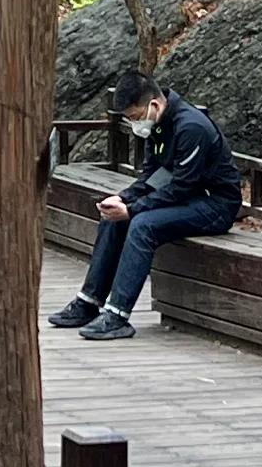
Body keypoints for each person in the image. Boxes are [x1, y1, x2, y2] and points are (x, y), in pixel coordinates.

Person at [49, 68, 244, 341]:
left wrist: (132, 209)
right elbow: (152, 177)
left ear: (153, 104)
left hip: (215, 205)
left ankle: (117, 315)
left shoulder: (192, 128)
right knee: (113, 215)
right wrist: (124, 198)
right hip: (187, 198)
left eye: (135, 117)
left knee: (142, 224)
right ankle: (88, 301)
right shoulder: (157, 126)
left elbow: (180, 187)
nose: (134, 125)